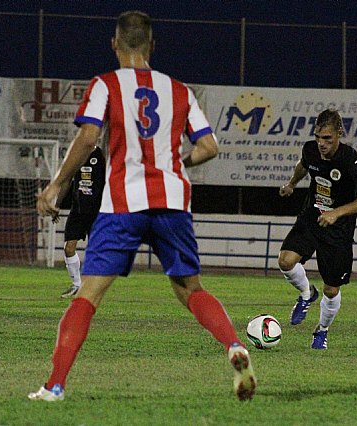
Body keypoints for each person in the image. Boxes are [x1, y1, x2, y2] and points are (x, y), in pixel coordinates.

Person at [30, 10, 256, 402]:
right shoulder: (180, 90)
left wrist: (57, 184)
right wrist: (173, 165)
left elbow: (87, 137)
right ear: (152, 46)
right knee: (190, 289)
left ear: (115, 44)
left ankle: (55, 386)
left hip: (124, 202)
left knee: (89, 294)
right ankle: (233, 344)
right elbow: (209, 147)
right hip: (172, 201)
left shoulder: (106, 84)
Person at [278, 109, 357, 350]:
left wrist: (337, 213)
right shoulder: (310, 150)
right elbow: (303, 165)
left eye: (327, 139)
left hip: (338, 230)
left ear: (339, 134)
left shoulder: (350, 161)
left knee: (331, 289)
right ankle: (306, 294)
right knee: (285, 261)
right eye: (318, 137)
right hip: (312, 217)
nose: (321, 144)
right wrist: (292, 183)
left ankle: (321, 330)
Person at [57, 146, 105, 299]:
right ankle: (77, 285)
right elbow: (66, 181)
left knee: (96, 251)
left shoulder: (101, 156)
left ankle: (93, 287)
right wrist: (57, 205)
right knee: (68, 247)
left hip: (96, 211)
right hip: (77, 210)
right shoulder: (77, 155)